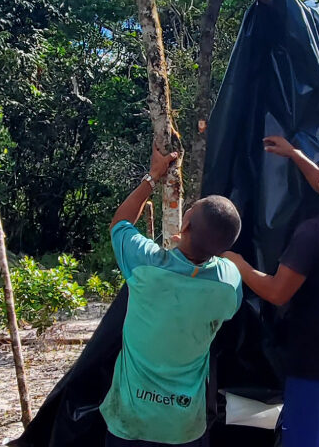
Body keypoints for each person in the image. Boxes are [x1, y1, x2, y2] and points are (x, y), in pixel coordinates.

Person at [221, 136, 319, 447]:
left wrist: (239, 264)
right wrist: (295, 155)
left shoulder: (314, 234)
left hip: (317, 365)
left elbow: (278, 292)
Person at [100, 148, 246, 447]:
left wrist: (152, 178)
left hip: (130, 420)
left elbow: (120, 224)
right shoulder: (228, 283)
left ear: (185, 224)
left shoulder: (147, 266)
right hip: (183, 426)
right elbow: (219, 264)